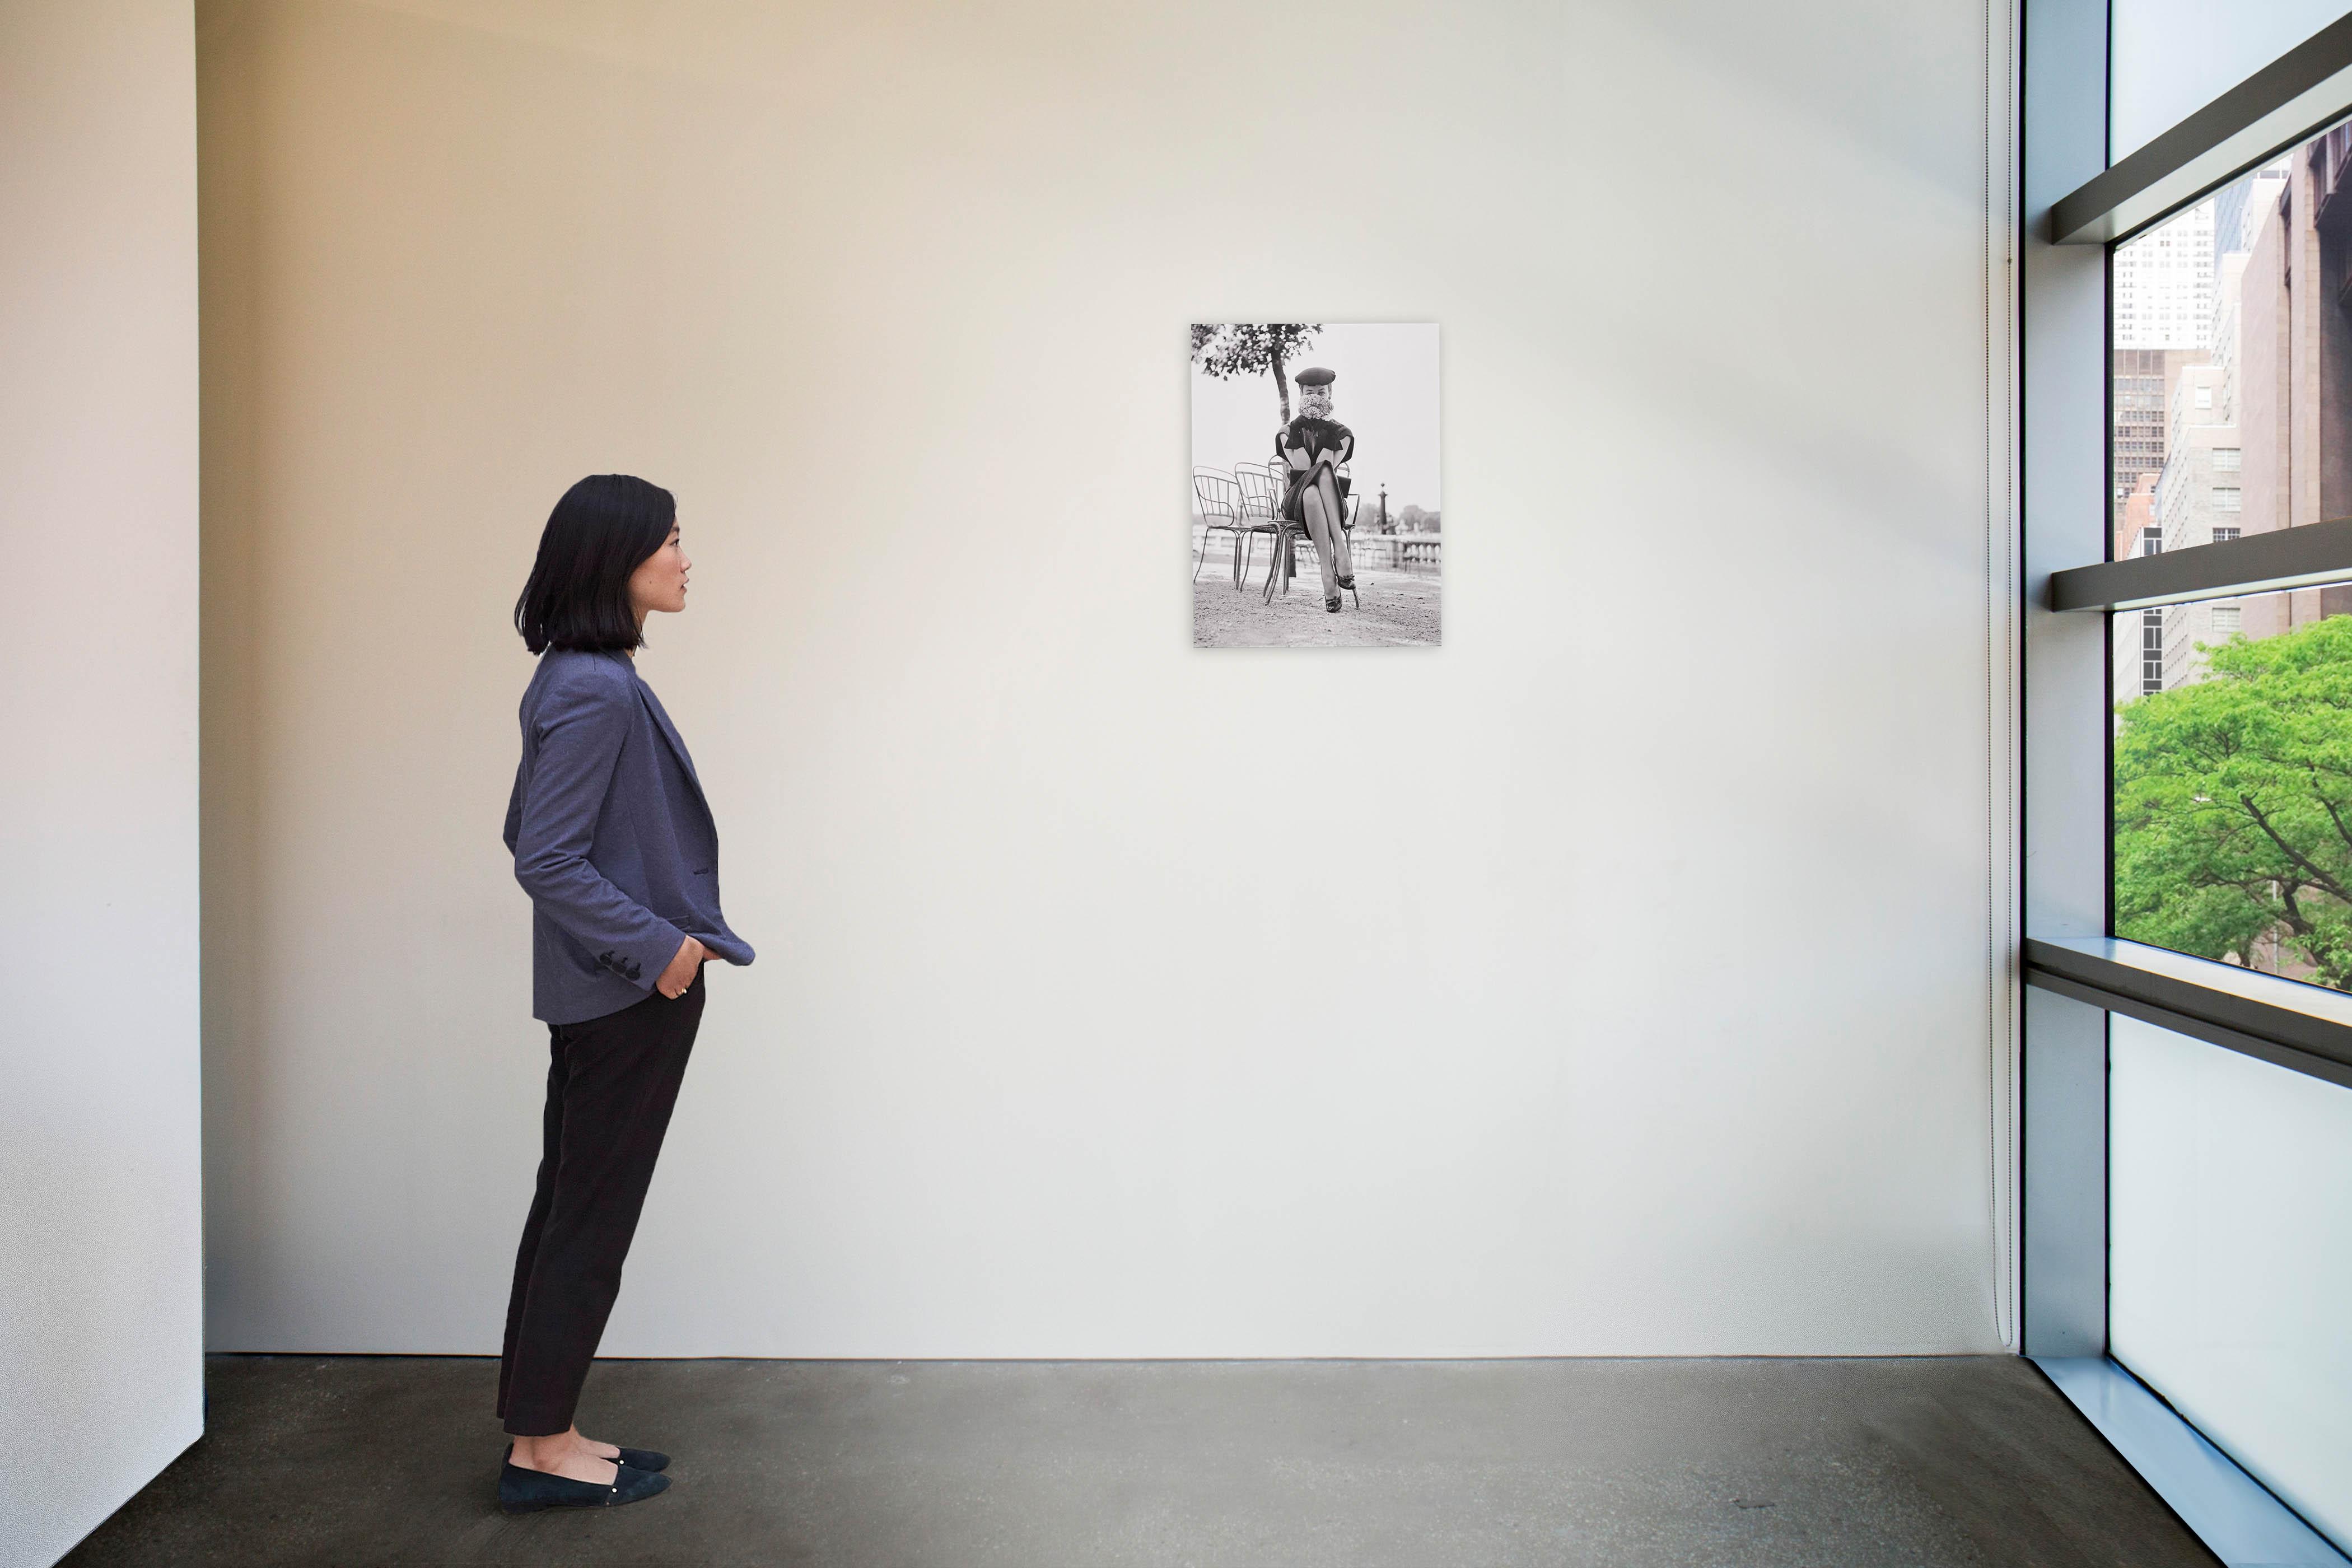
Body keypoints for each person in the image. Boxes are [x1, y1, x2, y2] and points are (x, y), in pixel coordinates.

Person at [494, 473, 756, 1514]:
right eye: (673, 542)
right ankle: (543, 1449)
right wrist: (663, 952)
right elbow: (546, 858)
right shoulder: (596, 688)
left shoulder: (576, 674)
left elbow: (527, 836)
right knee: (589, 1221)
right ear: (620, 561)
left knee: (570, 1210)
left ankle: (541, 1435)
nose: (687, 559)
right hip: (624, 996)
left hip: (603, 993)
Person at [1274, 366, 1356, 612]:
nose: (1316, 397)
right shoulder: (1287, 432)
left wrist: (1327, 427)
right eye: (1310, 392)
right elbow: (1302, 469)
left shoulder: (1343, 434)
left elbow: (1328, 468)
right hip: (1295, 502)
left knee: (1316, 486)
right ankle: (1340, 551)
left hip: (1330, 502)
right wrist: (1301, 424)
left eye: (1322, 393)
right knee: (1310, 484)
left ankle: (1327, 574)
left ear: (1330, 394)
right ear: (1301, 394)